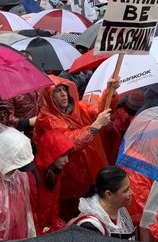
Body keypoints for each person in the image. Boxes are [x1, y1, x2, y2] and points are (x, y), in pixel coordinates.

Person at [33, 75, 117, 219]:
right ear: (49, 96)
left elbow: (99, 110)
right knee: (72, 214)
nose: (63, 94)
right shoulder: (46, 118)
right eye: (57, 91)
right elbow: (68, 142)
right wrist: (95, 125)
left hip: (89, 172)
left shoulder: (79, 108)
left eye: (64, 89)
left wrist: (110, 92)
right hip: (68, 178)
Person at [69, 166, 135, 239]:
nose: (132, 193)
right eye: (126, 190)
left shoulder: (120, 211)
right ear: (109, 194)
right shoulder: (90, 227)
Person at [29, 129, 75, 234]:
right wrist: (41, 235)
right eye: (63, 155)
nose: (67, 160)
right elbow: (30, 213)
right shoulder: (32, 176)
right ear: (51, 154)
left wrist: (54, 228)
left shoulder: (55, 171)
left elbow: (55, 204)